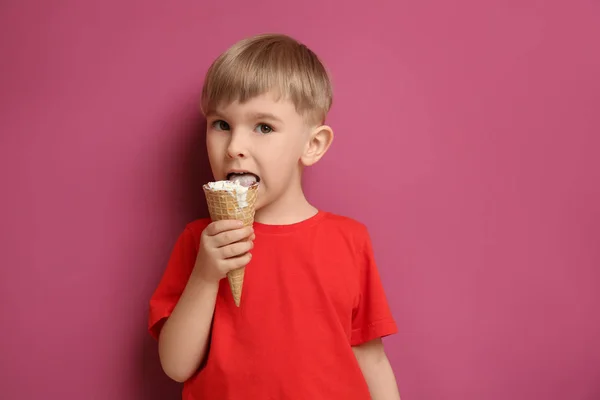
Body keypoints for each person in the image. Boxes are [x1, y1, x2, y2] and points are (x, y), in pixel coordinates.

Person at [148, 33, 401, 399]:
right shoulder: (200, 241)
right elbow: (176, 365)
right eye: (221, 124)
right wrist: (205, 276)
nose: (234, 147)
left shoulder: (350, 240)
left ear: (312, 145)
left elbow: (372, 360)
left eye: (263, 127)